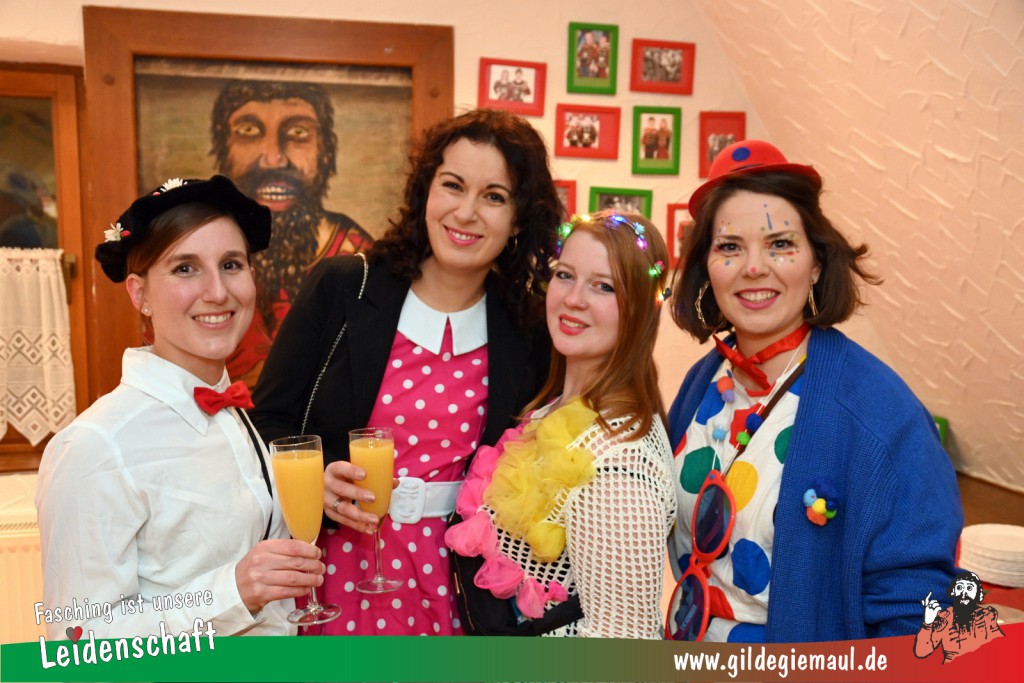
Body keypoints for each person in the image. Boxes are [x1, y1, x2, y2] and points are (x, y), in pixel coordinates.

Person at [251, 108, 560, 635]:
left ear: (518, 220)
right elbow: (266, 421)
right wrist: (315, 481)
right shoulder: (343, 287)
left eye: (494, 196)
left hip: (462, 585)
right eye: (452, 185)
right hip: (337, 572)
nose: (466, 212)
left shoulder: (528, 328)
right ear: (425, 193)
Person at [665, 139, 961, 643]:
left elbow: (919, 611)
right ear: (707, 267)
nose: (754, 267)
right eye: (730, 247)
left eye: (780, 244)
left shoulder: (880, 411)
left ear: (817, 262)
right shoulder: (702, 381)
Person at [35, 176, 325, 639]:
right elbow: (78, 642)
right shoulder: (95, 447)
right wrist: (232, 592)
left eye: (231, 264)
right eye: (185, 268)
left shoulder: (234, 414)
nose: (217, 291)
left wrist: (312, 493)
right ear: (139, 294)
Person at [446, 211, 676, 638]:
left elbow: (623, 649)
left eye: (603, 286)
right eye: (565, 275)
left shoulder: (619, 466)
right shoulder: (554, 410)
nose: (573, 299)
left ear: (643, 308)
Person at [210, 80, 374, 384]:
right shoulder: (201, 252)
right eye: (249, 131)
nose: (274, 158)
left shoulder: (360, 257)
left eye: (298, 133)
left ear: (326, 152)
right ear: (224, 149)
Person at [915, 571, 1005, 663]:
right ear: (953, 592)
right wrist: (928, 623)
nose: (964, 593)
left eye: (969, 588)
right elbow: (922, 652)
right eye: (959, 587)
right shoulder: (945, 618)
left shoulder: (987, 615)